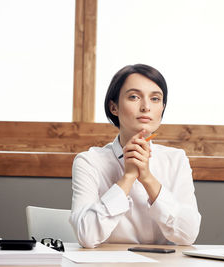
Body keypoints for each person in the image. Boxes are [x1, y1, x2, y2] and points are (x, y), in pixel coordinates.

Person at [69, 64, 201, 248]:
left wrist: (147, 177)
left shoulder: (176, 160)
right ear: (113, 107)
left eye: (155, 99)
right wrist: (128, 177)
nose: (146, 107)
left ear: (162, 108)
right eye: (134, 97)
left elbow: (188, 235)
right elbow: (87, 236)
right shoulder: (89, 162)